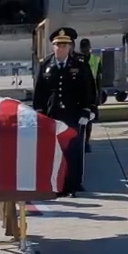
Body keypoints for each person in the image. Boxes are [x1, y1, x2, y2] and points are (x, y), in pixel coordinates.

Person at [33, 27, 95, 194]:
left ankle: (73, 184)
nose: (60, 48)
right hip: (52, 115)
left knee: (74, 152)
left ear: (70, 47)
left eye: (64, 45)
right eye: (57, 45)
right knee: (55, 152)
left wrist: (87, 110)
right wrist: (39, 113)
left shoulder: (80, 64)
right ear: (53, 47)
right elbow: (39, 92)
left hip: (73, 114)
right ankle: (56, 185)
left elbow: (88, 89)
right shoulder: (46, 65)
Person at [79, 38, 102, 152]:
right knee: (81, 120)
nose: (84, 50)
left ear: (89, 47)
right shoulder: (77, 60)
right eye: (83, 48)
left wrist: (99, 95)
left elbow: (98, 80)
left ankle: (87, 142)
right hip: (81, 93)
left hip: (92, 93)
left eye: (86, 47)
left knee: (89, 120)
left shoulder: (95, 60)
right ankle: (82, 142)